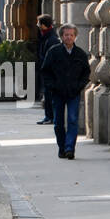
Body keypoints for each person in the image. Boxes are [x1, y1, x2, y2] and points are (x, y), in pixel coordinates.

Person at [41, 24, 90, 159]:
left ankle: (70, 148)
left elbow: (86, 73)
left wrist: (79, 85)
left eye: (71, 35)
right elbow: (45, 71)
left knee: (73, 120)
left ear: (75, 37)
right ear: (62, 36)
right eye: (66, 35)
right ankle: (62, 147)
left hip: (73, 92)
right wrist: (52, 86)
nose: (69, 37)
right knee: (58, 123)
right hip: (57, 92)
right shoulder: (54, 51)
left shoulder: (80, 54)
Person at [34, 14, 61, 125]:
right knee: (47, 94)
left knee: (49, 95)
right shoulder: (46, 37)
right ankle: (48, 116)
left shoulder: (51, 39)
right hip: (46, 71)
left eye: (39, 23)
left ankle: (50, 117)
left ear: (44, 25)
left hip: (50, 72)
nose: (37, 25)